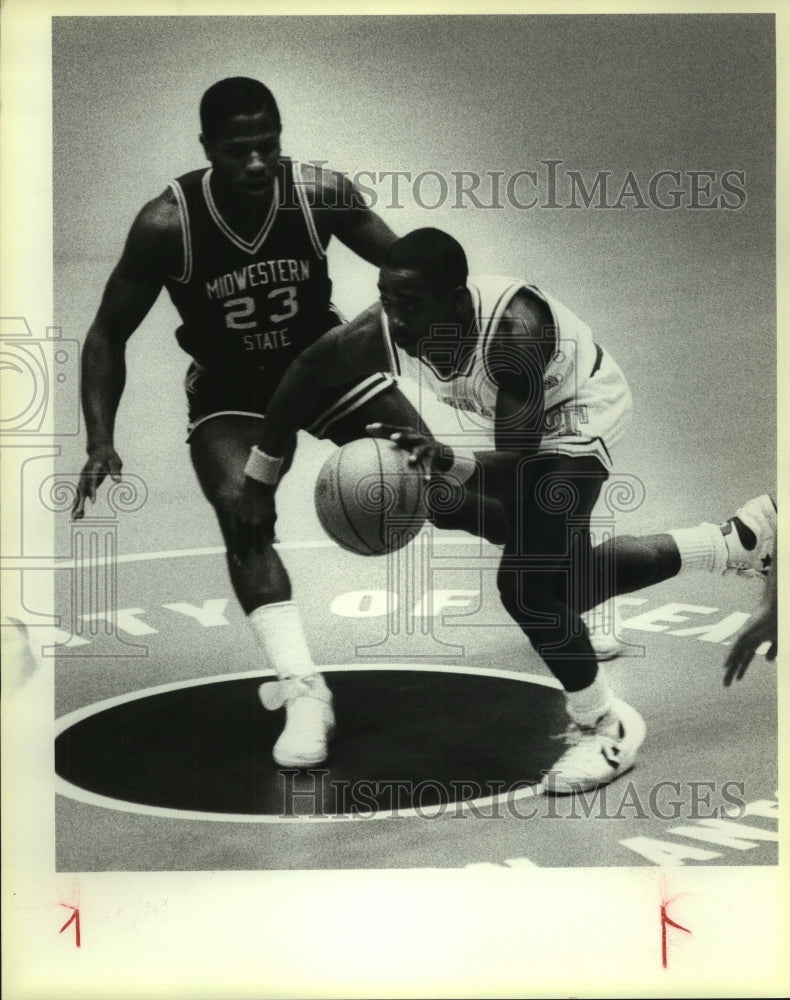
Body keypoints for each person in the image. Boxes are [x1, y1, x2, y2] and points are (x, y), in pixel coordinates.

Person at [244, 227, 776, 793]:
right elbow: (306, 370)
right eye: (387, 300)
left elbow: (522, 472)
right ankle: (740, 540)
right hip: (516, 429)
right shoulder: (388, 326)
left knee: (527, 588)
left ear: (455, 301)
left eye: (411, 306)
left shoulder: (514, 335)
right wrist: (260, 477)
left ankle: (608, 723)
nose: (395, 321)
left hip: (576, 413)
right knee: (507, 547)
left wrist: (449, 458)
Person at [71, 77, 435, 770]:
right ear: (207, 148)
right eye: (240, 151)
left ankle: (556, 586)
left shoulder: (319, 194)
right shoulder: (167, 225)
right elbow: (106, 335)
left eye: (269, 146)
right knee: (243, 510)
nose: (259, 164)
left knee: (433, 471)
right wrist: (100, 440)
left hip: (325, 369)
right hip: (231, 390)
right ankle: (303, 690)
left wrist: (432, 334)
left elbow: (409, 270)